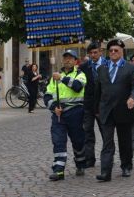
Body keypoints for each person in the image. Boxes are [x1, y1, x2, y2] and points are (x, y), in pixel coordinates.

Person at [94, 39, 134, 181]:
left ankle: (126, 166)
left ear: (122, 52)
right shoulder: (101, 68)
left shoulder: (130, 68)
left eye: (116, 50)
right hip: (106, 111)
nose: (113, 53)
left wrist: (133, 97)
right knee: (107, 142)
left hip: (124, 110)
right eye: (111, 51)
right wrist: (96, 108)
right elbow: (98, 90)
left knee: (124, 141)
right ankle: (105, 172)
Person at [43, 49, 87, 181]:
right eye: (65, 58)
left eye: (70, 58)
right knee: (58, 142)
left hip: (75, 113)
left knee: (78, 141)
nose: (67, 60)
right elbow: (47, 95)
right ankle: (58, 170)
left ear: (75, 61)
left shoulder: (80, 74)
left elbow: (78, 87)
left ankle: (80, 164)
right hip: (59, 114)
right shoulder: (54, 77)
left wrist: (61, 78)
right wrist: (53, 107)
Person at [78, 42, 106, 168]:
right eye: (91, 53)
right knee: (87, 132)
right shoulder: (84, 67)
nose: (93, 55)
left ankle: (107, 157)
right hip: (88, 105)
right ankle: (90, 159)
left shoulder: (107, 64)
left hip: (103, 105)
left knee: (106, 133)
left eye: (95, 52)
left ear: (100, 52)